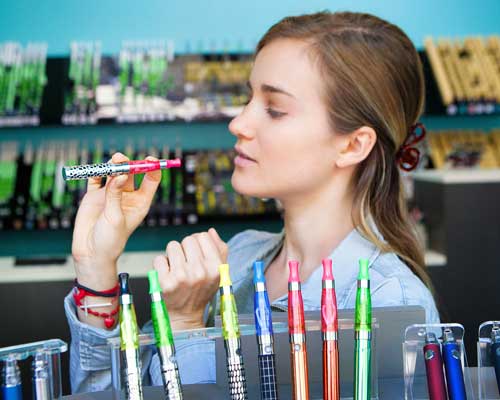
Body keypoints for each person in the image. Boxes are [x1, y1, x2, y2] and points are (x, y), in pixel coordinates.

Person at [65, 11, 440, 393]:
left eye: (274, 109)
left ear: (352, 144)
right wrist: (96, 272)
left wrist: (185, 327)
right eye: (249, 98)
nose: (239, 123)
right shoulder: (240, 257)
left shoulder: (392, 300)